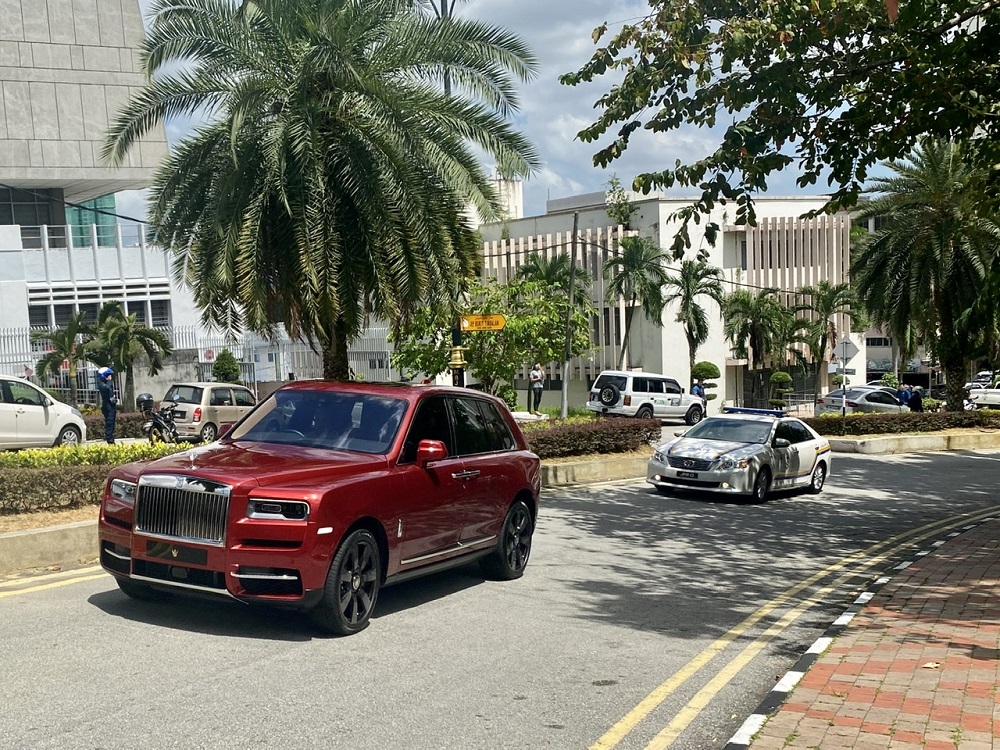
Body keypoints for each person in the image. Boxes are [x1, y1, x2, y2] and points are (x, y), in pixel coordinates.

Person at [96, 366, 118, 444]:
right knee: (109, 423)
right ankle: (110, 441)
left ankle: (111, 439)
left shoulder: (105, 384)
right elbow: (108, 392)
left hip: (110, 406)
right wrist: (109, 381)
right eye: (109, 375)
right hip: (108, 407)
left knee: (112, 424)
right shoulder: (103, 385)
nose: (110, 377)